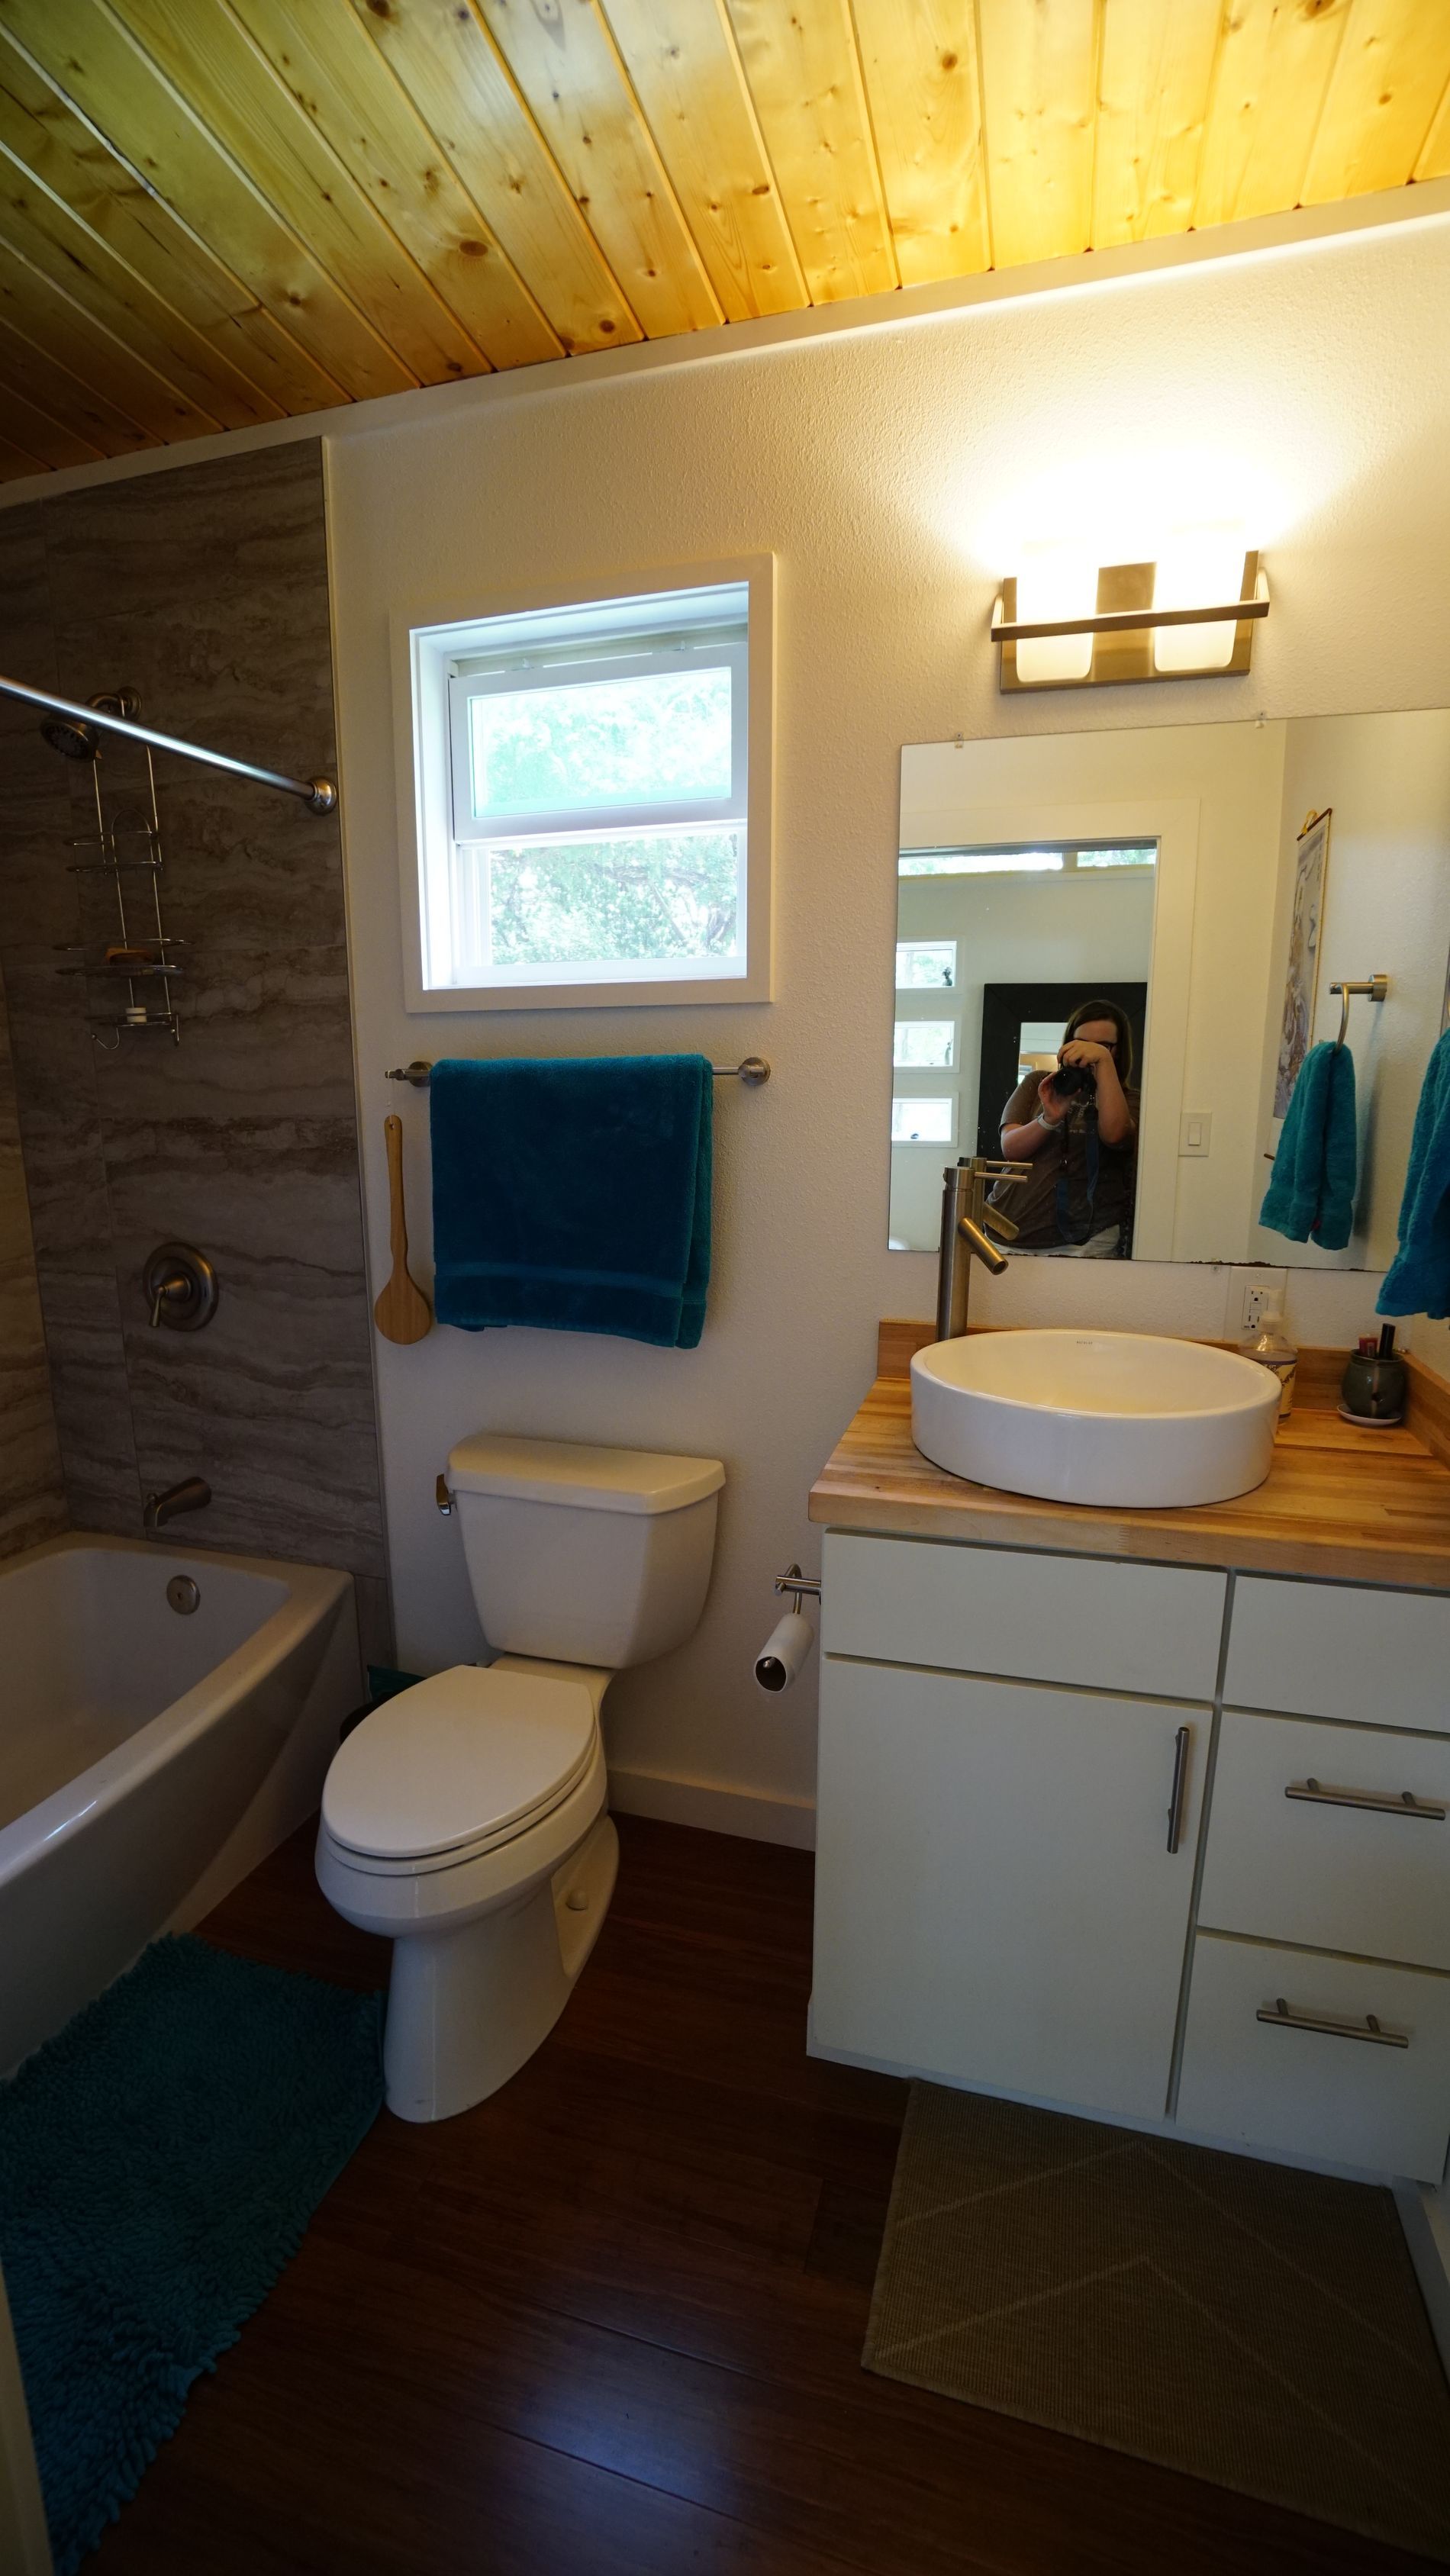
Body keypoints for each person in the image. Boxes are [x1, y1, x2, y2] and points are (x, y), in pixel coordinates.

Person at [991, 999, 1139, 1257]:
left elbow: (1115, 1135)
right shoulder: (1040, 1083)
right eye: (1080, 1042)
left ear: (1118, 1051)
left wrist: (1103, 1064)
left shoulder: (1130, 1100)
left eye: (1102, 1046)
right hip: (1005, 1230)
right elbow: (1011, 1148)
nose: (1088, 1052)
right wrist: (1049, 1118)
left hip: (1083, 1242)